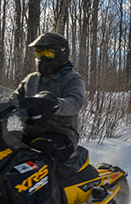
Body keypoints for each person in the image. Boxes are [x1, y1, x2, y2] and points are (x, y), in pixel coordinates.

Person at [9, 32, 85, 162]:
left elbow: (75, 103)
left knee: (43, 153)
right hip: (29, 132)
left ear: (61, 53)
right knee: (6, 145)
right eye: (39, 54)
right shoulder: (31, 79)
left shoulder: (72, 78)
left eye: (47, 53)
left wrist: (54, 104)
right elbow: (13, 99)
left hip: (60, 134)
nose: (42, 58)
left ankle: (58, 182)